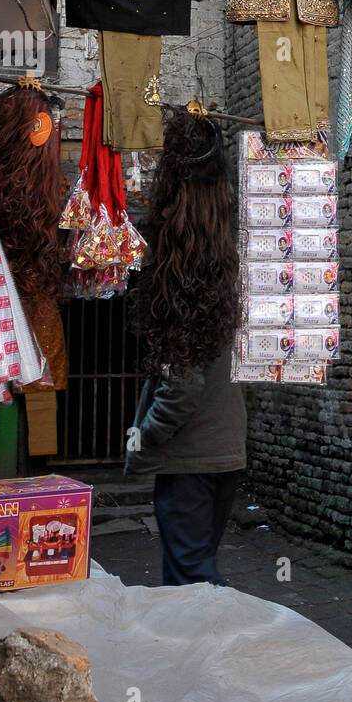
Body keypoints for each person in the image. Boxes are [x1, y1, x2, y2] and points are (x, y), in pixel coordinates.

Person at [125, 110, 245, 585]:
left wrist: (146, 438)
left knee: (190, 580)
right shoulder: (224, 267)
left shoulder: (178, 282)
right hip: (225, 451)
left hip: (192, 460)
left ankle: (221, 657)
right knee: (200, 570)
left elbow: (181, 388)